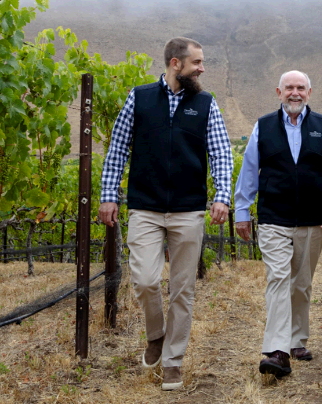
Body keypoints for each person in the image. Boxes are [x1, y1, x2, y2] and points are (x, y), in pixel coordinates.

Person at [99, 37, 233, 390]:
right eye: (197, 62)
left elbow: (221, 153)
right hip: (145, 207)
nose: (202, 68)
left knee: (182, 290)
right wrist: (108, 196)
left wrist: (222, 195)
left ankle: (173, 361)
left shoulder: (206, 104)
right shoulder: (139, 98)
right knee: (144, 280)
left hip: (189, 210)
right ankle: (156, 333)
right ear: (176, 63)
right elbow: (117, 150)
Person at [234, 70, 322, 377]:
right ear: (279, 92)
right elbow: (249, 171)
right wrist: (242, 210)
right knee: (279, 279)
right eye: (289, 88)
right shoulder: (263, 126)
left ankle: (297, 340)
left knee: (301, 283)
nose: (294, 93)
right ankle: (276, 350)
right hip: (273, 218)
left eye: (300, 88)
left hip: (312, 220)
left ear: (309, 93)